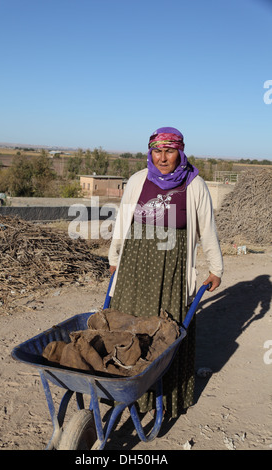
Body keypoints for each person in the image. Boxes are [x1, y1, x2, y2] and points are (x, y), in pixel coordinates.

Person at [108, 126, 223, 418]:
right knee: (129, 327)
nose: (162, 157)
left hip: (171, 272)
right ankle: (125, 390)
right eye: (157, 151)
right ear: (150, 153)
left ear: (180, 153)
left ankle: (163, 397)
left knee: (165, 331)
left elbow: (207, 229)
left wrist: (215, 268)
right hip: (134, 268)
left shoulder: (194, 185)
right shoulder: (138, 180)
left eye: (169, 151)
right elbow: (123, 222)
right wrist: (114, 256)